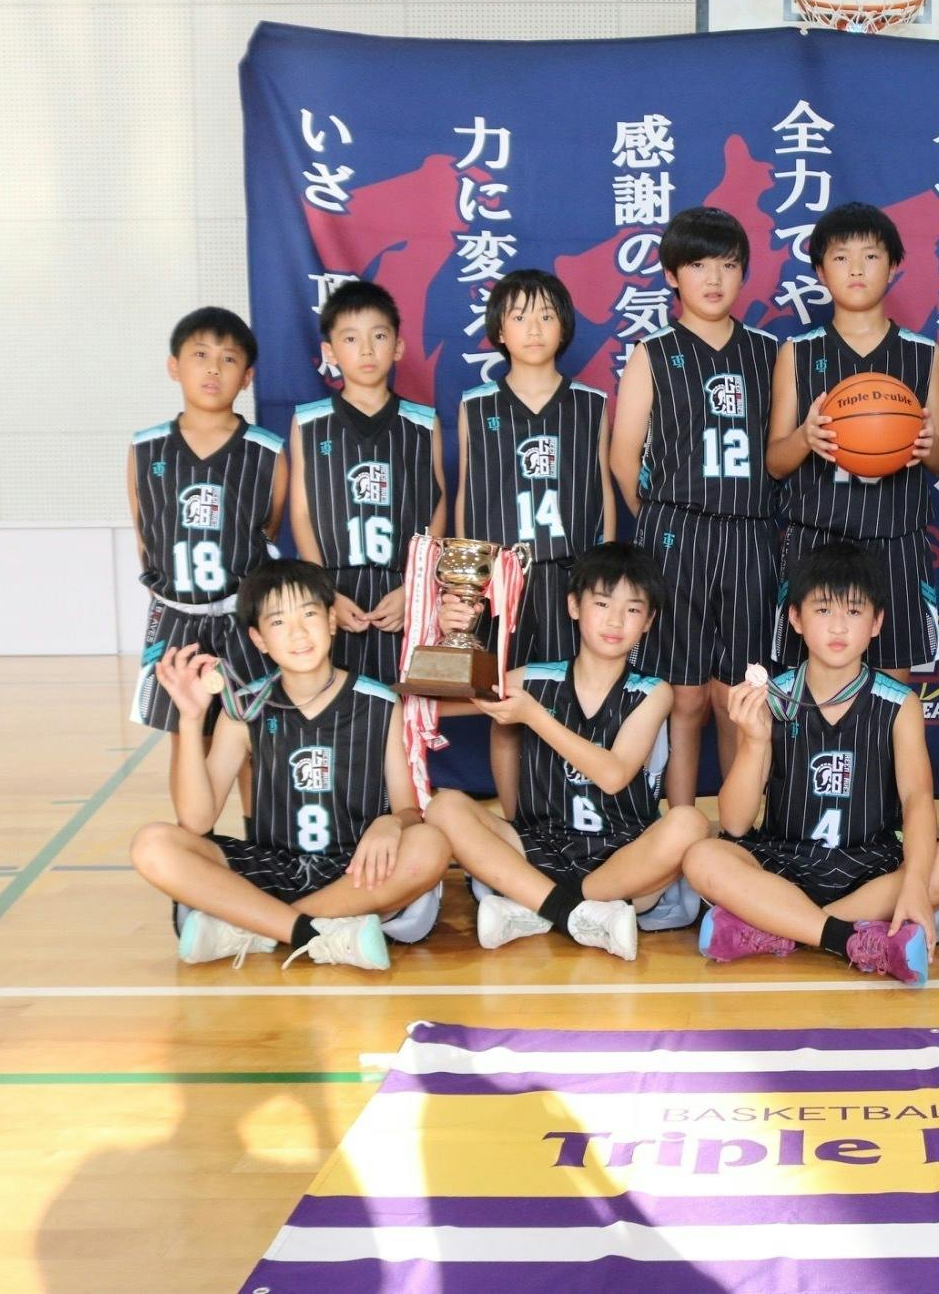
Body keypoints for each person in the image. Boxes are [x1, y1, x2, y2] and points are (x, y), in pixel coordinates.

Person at [127, 559, 452, 970]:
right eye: (278, 622)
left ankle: (254, 926)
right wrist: (190, 721)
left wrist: (391, 823)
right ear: (259, 639)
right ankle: (314, 933)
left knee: (430, 844)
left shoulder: (381, 703)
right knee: (153, 844)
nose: (298, 633)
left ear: (331, 621)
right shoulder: (244, 708)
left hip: (354, 870)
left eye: (309, 615)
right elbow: (196, 821)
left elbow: (408, 808)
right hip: (272, 866)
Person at [683, 541, 939, 985]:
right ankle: (846, 938)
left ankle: (777, 927)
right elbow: (735, 822)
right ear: (796, 619)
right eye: (822, 610)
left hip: (869, 864)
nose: (838, 626)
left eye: (854, 612)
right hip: (785, 862)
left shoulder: (900, 703)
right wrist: (754, 741)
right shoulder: (772, 697)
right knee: (703, 857)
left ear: (876, 623)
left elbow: (916, 799)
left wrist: (913, 882)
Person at [427, 543, 708, 957]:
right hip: (539, 847)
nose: (615, 621)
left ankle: (543, 908)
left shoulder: (652, 692)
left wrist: (534, 716)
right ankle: (578, 914)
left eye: (632, 610)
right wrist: (443, 632)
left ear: (648, 621)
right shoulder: (534, 679)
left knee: (689, 824)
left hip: (621, 858)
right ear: (574, 606)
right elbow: (433, 698)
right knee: (444, 807)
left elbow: (613, 775)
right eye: (602, 603)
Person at [610, 206, 782, 804]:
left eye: (728, 266)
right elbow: (624, 457)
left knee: (738, 695)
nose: (714, 278)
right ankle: (681, 825)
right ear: (672, 275)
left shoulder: (769, 353)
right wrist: (663, 519)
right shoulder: (654, 353)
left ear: (745, 274)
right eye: (699, 265)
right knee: (683, 695)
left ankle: (736, 831)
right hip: (676, 530)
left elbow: (784, 449)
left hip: (750, 533)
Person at [765, 203, 939, 677]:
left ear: (893, 266)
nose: (856, 269)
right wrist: (806, 437)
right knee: (811, 689)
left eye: (870, 256)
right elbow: (775, 463)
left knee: (893, 691)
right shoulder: (798, 353)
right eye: (840, 257)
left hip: (896, 540)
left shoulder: (924, 355)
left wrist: (927, 444)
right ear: (820, 272)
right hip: (817, 537)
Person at [128, 308, 286, 750]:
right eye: (200, 354)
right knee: (187, 738)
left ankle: (256, 806)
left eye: (229, 358)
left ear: (247, 377)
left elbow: (267, 531)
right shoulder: (145, 448)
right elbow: (146, 534)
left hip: (242, 617)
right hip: (175, 615)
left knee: (253, 739)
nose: (214, 368)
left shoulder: (267, 451)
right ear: (174, 366)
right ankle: (194, 806)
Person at [288, 280, 444, 684]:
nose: (367, 350)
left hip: (400, 588)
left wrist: (415, 587)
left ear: (398, 347)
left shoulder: (422, 422)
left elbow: (438, 504)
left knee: (405, 702)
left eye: (379, 336)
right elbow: (301, 513)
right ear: (330, 352)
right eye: (351, 339)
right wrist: (323, 593)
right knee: (336, 701)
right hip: (336, 588)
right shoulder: (308, 421)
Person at [455, 269, 612, 666]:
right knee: (499, 688)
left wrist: (601, 571)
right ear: (500, 330)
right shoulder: (476, 405)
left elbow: (602, 490)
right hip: (502, 578)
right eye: (519, 317)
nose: (534, 329)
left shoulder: (591, 404)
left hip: (570, 574)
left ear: (564, 327)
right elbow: (468, 493)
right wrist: (468, 580)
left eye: (546, 315)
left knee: (570, 685)